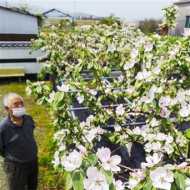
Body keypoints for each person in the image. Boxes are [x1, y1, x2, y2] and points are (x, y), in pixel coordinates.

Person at [0, 93, 38, 190]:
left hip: (33, 162)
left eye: (21, 103)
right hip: (15, 167)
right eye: (16, 104)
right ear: (7, 108)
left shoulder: (28, 119)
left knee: (32, 186)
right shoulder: (3, 128)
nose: (20, 106)